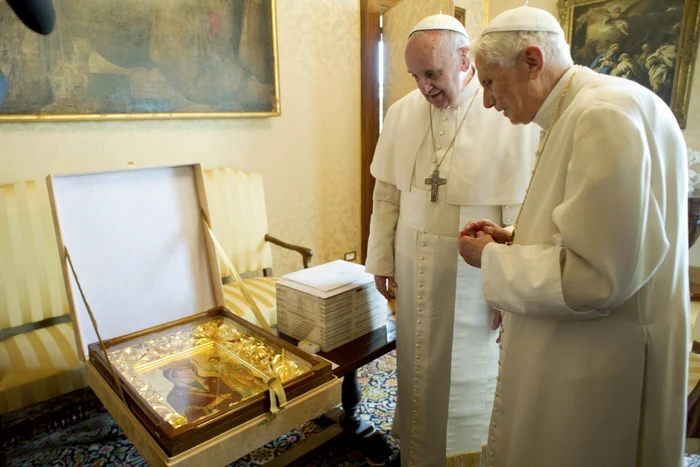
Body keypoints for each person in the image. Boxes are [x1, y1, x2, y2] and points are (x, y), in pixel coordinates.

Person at [458, 6, 689, 467]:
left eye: (487, 82)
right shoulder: (584, 106)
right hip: (590, 349)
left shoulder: (601, 115)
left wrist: (491, 259)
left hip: (601, 362)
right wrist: (513, 238)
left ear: (531, 61)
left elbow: (594, 277)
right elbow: (600, 231)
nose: (486, 101)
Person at [365, 13, 539, 467]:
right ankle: (416, 448)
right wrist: (382, 260)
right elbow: (386, 195)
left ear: (465, 60)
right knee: (416, 364)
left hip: (471, 269)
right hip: (410, 258)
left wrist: (508, 283)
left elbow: (516, 209)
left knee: (467, 371)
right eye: (416, 76)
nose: (424, 87)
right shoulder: (402, 112)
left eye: (432, 74)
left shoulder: (505, 113)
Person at [162, 360, 242, 423]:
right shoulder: (174, 395)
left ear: (193, 368)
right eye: (181, 370)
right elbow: (189, 418)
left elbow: (238, 395)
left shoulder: (214, 379)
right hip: (214, 422)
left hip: (238, 411)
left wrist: (229, 396)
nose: (186, 371)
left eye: (188, 368)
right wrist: (213, 404)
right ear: (172, 374)